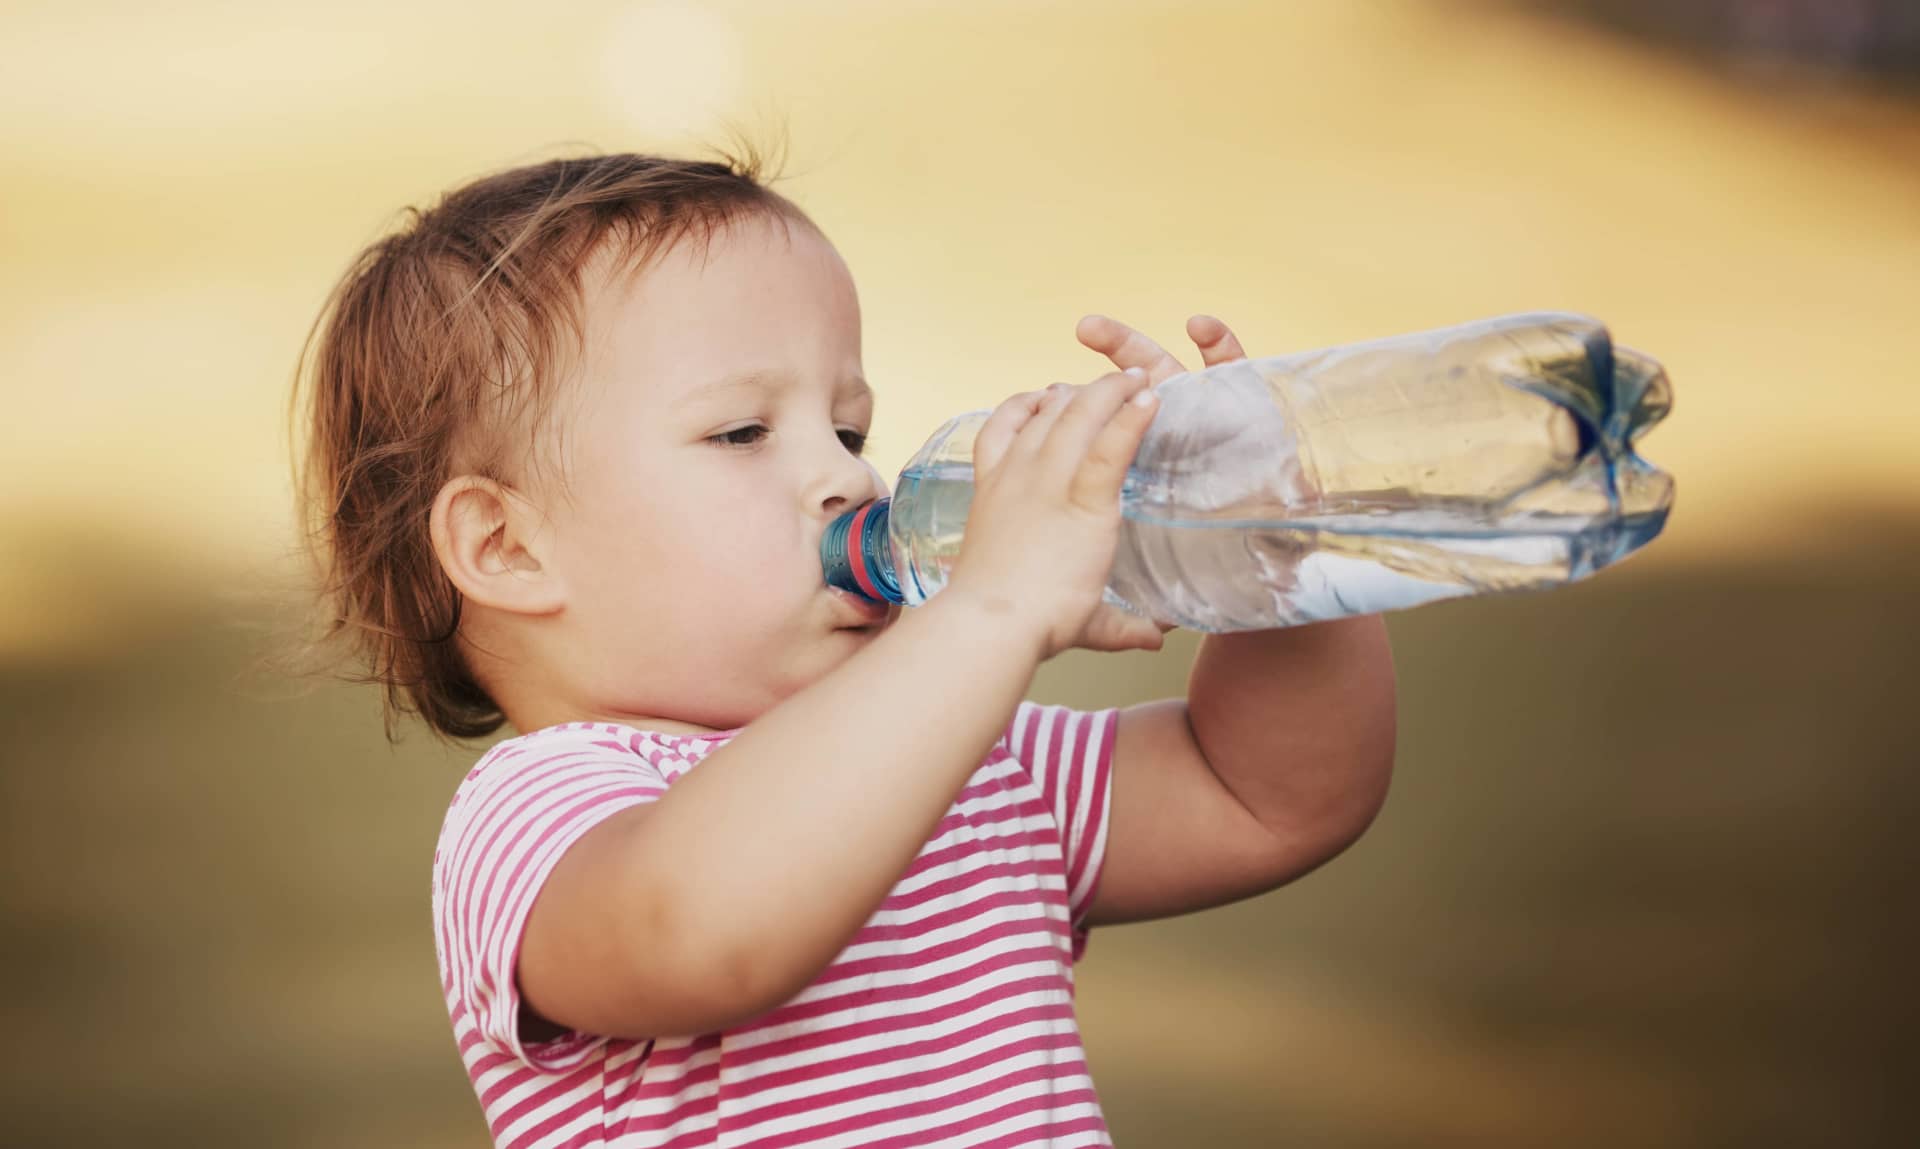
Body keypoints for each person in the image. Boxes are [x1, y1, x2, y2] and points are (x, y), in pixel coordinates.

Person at [290, 144, 1398, 1149]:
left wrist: (1273, 558)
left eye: (850, 427)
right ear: (508, 546)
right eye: (741, 432)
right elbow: (704, 933)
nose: (854, 477)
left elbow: (1269, 796)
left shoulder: (971, 757)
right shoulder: (539, 814)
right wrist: (989, 617)